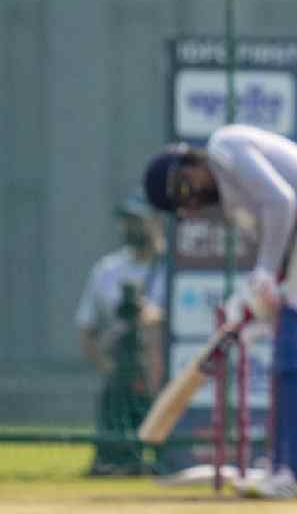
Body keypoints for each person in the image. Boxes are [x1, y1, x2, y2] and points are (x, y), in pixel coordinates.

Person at [143, 124, 297, 499]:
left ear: (189, 162)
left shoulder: (226, 146)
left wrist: (264, 272)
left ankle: (291, 472)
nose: (194, 202)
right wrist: (256, 297)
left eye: (185, 189)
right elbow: (276, 239)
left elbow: (282, 202)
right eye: (184, 205)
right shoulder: (233, 201)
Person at [76, 195, 165, 476]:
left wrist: (153, 317)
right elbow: (87, 327)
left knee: (163, 443)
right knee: (114, 454)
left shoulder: (172, 267)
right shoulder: (108, 269)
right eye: (126, 222)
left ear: (155, 222)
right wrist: (107, 366)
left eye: (137, 221)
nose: (130, 228)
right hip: (121, 369)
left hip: (161, 369)